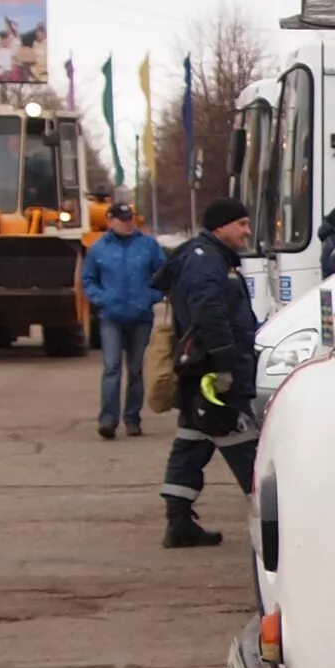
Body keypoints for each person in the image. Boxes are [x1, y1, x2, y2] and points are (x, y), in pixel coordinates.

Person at [158, 197, 260, 548]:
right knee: (244, 444)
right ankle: (277, 521)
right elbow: (210, 315)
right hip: (214, 373)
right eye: (242, 224)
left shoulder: (208, 258)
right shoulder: (206, 263)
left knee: (192, 440)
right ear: (221, 226)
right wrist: (224, 365)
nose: (247, 231)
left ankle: (179, 520)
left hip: (200, 372)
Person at [80, 199, 161, 441]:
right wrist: (101, 298)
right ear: (110, 221)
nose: (128, 224)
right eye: (123, 220)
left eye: (130, 219)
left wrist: (151, 296)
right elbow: (88, 280)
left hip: (141, 317)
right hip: (111, 317)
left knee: (135, 369)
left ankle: (132, 418)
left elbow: (163, 274)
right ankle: (108, 420)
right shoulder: (98, 249)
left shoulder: (148, 245)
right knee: (112, 367)